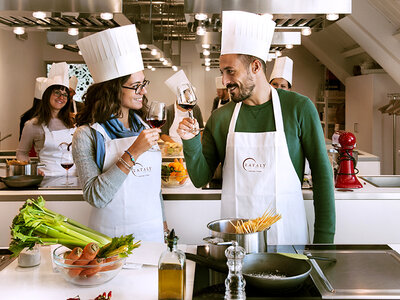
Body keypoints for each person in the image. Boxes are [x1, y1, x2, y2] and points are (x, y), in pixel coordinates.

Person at [178, 11, 335, 245]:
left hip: (288, 242)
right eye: (222, 72)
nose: (225, 81)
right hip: (236, 247)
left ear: (255, 66)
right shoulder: (221, 118)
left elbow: (323, 177)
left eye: (230, 71)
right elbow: (200, 178)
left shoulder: (299, 108)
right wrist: (190, 141)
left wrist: (325, 242)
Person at [73, 24, 166, 241]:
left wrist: (162, 222)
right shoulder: (86, 134)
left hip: (152, 233)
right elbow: (96, 196)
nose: (143, 91)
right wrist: (133, 152)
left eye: (144, 83)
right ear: (113, 89)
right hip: (111, 238)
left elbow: (153, 187)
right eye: (136, 86)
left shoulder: (144, 126)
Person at [17, 62, 76, 176]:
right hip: (48, 181)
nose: (61, 97)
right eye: (57, 93)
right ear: (47, 95)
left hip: (75, 179)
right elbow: (21, 153)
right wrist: (32, 170)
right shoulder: (32, 125)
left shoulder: (73, 123)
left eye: (65, 95)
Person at [161, 70, 204, 144]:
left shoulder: (195, 108)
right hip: (174, 149)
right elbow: (163, 134)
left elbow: (201, 130)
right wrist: (177, 147)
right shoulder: (168, 110)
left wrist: (195, 145)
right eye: (187, 97)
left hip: (193, 146)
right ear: (179, 97)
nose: (189, 100)